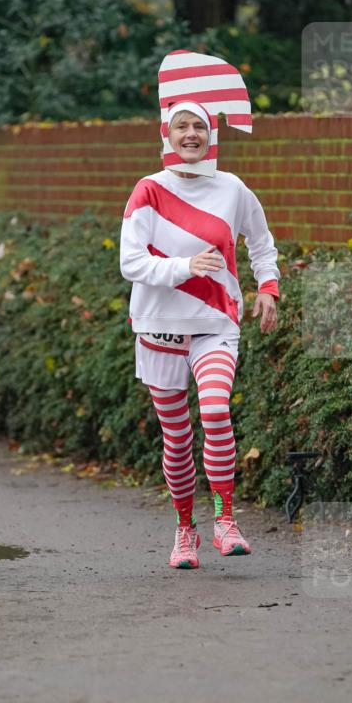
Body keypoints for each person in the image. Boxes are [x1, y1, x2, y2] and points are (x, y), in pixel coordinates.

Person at [120, 51, 280, 570]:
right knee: (176, 437)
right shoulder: (148, 190)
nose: (191, 134)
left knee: (214, 411)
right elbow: (130, 262)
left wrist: (268, 288)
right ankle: (185, 530)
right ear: (166, 133)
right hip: (159, 328)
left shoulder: (231, 188)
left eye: (199, 126)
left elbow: (261, 241)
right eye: (181, 126)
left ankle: (225, 519)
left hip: (215, 324)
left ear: (212, 133)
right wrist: (186, 266)